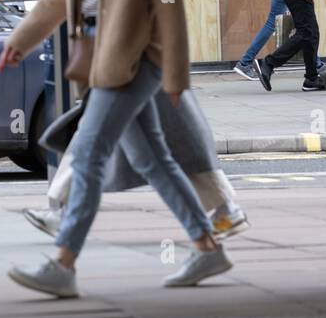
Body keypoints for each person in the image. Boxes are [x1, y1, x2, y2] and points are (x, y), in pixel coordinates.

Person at [0, 0, 232, 297]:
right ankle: (208, 249)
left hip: (134, 54)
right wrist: (22, 38)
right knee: (152, 158)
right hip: (99, 47)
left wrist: (175, 73)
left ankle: (63, 263)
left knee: (87, 154)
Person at [27, 87, 249, 241]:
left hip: (133, 67)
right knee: (95, 141)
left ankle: (64, 239)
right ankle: (64, 223)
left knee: (170, 150)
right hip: (128, 66)